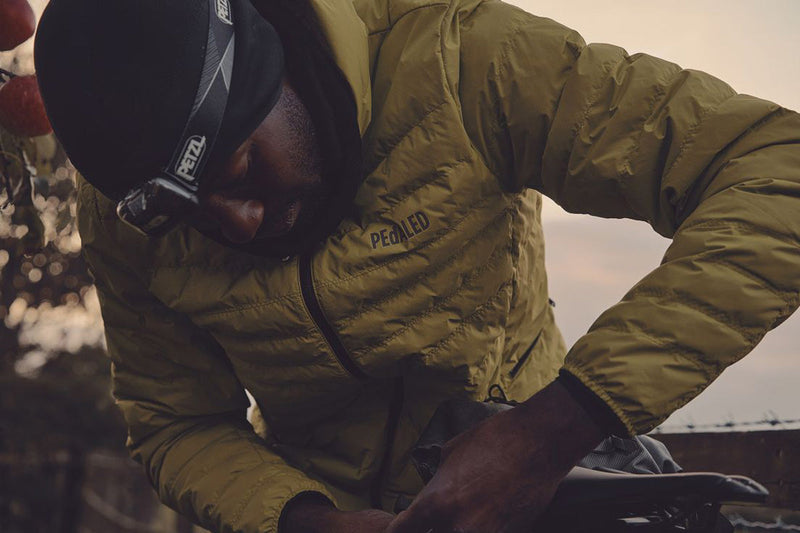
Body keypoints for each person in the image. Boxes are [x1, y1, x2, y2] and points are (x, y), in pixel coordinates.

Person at [33, 0, 800, 531]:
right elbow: (177, 423)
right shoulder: (126, 216)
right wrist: (305, 519)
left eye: (238, 169)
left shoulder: (461, 56)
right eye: (191, 213)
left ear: (274, 62)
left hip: (543, 486)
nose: (237, 222)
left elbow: (775, 170)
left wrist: (553, 432)